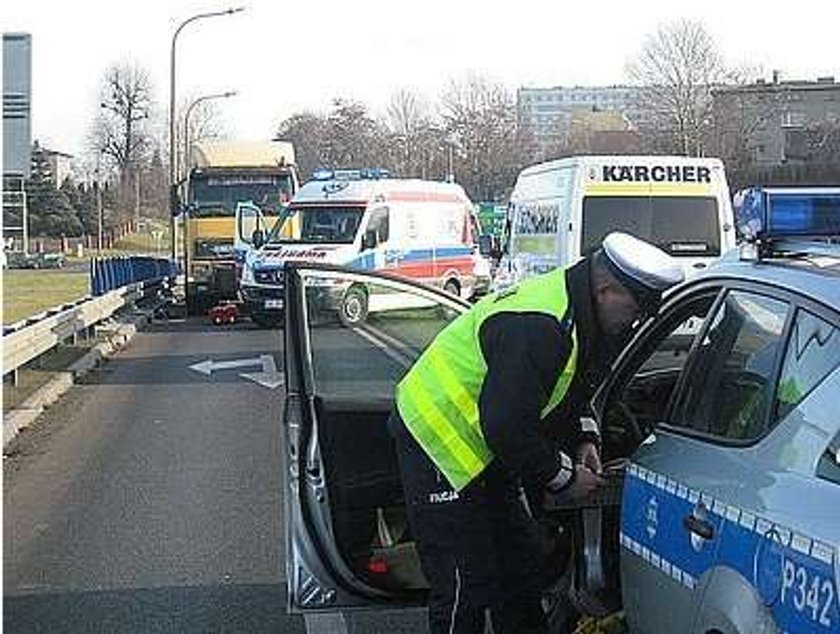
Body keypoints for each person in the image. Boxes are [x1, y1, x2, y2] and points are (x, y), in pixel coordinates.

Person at [389, 232, 684, 634]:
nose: (637, 320)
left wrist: (585, 440)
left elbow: (576, 387)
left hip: (487, 447)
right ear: (607, 289)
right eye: (635, 308)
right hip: (437, 439)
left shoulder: (582, 313)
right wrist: (564, 478)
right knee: (464, 581)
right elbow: (506, 426)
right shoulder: (540, 326)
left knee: (518, 564)